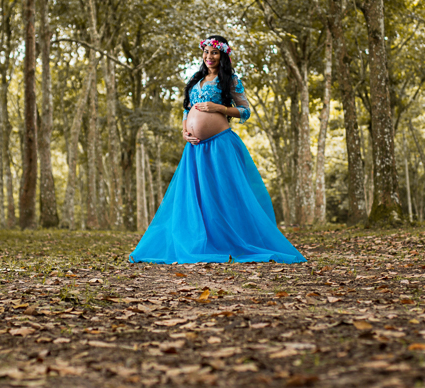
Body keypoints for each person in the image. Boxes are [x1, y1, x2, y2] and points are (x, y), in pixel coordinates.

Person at [130, 35, 305, 264]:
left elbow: (244, 111)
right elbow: (187, 109)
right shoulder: (196, 78)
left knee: (223, 194)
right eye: (206, 52)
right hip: (194, 150)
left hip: (220, 146)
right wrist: (185, 130)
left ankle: (231, 240)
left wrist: (218, 107)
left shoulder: (230, 79)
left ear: (223, 55)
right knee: (196, 197)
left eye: (214, 52)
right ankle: (198, 242)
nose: (209, 57)